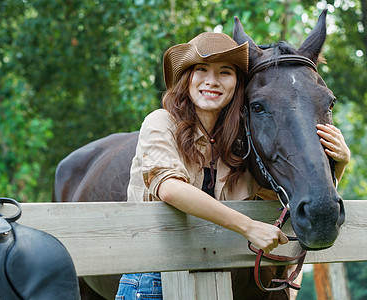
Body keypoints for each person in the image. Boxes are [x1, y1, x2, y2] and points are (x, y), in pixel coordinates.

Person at [115, 32, 350, 300]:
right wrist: (249, 226)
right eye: (201, 70)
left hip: (217, 280)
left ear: (236, 83)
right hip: (154, 279)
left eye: (224, 72)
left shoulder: (237, 146)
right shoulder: (161, 122)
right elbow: (169, 189)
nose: (211, 81)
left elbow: (292, 200)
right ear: (187, 78)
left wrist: (338, 164)